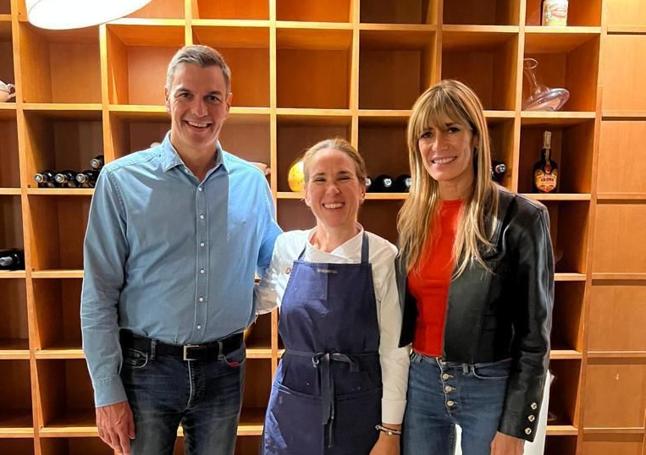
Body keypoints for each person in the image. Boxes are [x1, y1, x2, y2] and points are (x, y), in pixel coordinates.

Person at [80, 45, 281, 455]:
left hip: (225, 367)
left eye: (212, 97)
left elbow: (278, 260)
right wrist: (106, 390)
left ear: (228, 103)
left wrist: (331, 241)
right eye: (185, 94)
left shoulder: (252, 183)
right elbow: (98, 294)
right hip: (145, 369)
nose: (199, 110)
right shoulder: (120, 181)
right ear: (167, 98)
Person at [396, 80, 554, 455]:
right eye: (426, 134)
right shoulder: (412, 217)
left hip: (489, 384)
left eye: (452, 129)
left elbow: (536, 336)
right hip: (420, 380)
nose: (438, 145)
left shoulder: (522, 218)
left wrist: (515, 425)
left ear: (476, 137)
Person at [255, 138, 410, 455]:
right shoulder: (288, 247)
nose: (332, 190)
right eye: (320, 179)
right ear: (306, 194)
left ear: (362, 188)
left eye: (343, 177)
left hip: (360, 408)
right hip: (292, 405)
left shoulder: (383, 255)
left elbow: (396, 350)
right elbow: (261, 300)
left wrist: (390, 432)